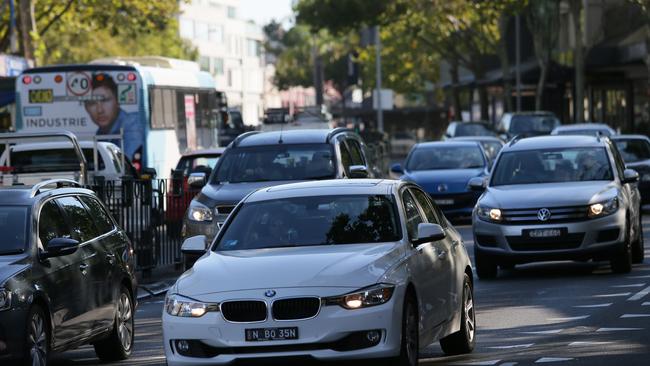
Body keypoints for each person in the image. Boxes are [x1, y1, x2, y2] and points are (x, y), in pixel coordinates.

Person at [84, 73, 144, 161]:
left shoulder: (131, 125)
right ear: (87, 108)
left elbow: (129, 165)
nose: (100, 110)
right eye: (92, 103)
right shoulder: (101, 133)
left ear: (117, 101)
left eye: (105, 100)